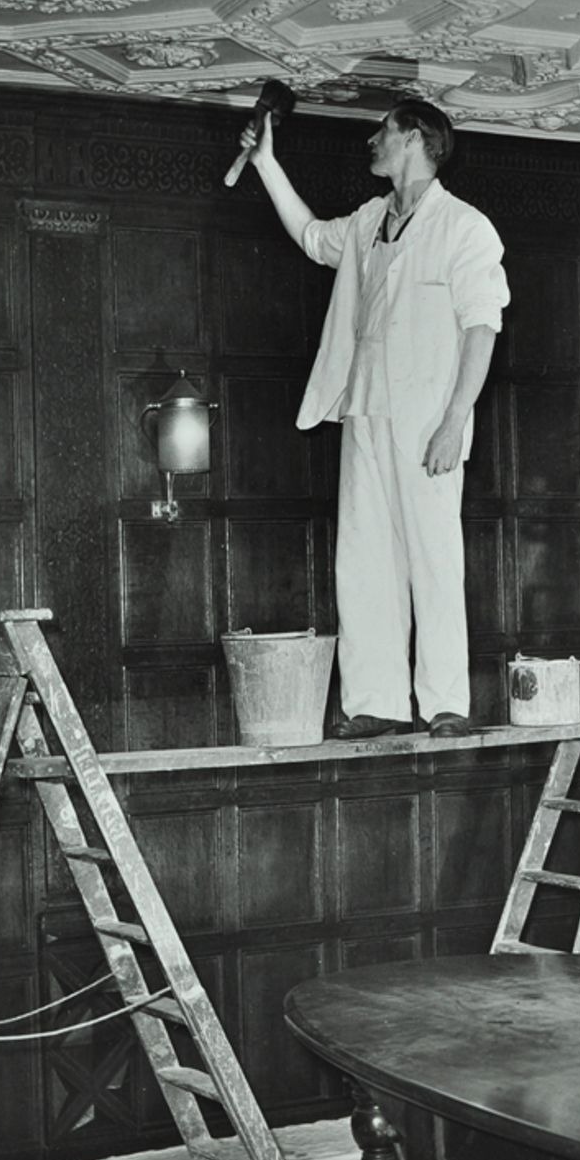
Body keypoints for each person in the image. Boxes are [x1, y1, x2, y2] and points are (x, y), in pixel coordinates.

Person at [241, 98, 509, 739]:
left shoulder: (464, 227)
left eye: (384, 131)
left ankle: (446, 703)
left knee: (433, 558)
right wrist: (265, 163)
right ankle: (377, 701)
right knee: (363, 561)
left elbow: (482, 328)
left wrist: (454, 421)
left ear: (415, 139)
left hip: (427, 423)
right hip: (363, 409)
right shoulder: (368, 221)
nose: (373, 140)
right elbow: (311, 237)